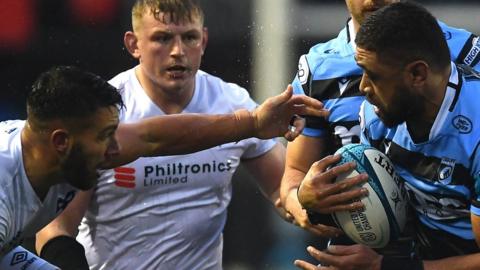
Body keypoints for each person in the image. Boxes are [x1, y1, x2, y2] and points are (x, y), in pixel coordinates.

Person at [33, 0, 309, 269]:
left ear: (203, 40)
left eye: (189, 37)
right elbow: (55, 228)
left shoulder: (232, 102)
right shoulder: (103, 115)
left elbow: (283, 189)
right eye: (162, 39)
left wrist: (313, 206)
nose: (178, 51)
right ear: (133, 44)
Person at [0, 65, 325, 270]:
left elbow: (154, 137)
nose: (117, 149)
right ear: (61, 142)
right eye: (105, 137)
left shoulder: (67, 149)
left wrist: (251, 123)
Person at [294, 2, 480, 270]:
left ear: (418, 74)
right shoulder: (375, 114)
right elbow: (381, 210)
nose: (363, 87)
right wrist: (313, 203)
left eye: (373, 76)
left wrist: (392, 267)